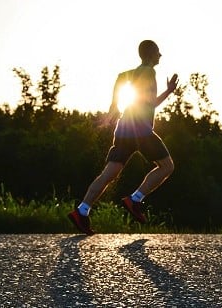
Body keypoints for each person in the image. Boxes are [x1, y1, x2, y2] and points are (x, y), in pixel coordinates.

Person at [68, 40, 178, 235]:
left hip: (124, 129)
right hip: (140, 131)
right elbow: (151, 103)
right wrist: (168, 91)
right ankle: (134, 200)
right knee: (167, 166)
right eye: (158, 52)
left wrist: (114, 105)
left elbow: (120, 78)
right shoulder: (150, 72)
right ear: (151, 54)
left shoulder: (136, 71)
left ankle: (82, 211)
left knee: (108, 174)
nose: (161, 55)